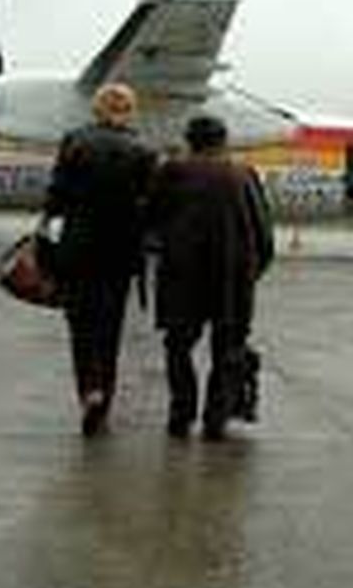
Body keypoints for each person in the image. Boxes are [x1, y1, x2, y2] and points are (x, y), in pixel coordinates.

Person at [147, 114, 274, 441]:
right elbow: (263, 234)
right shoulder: (244, 174)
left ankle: (181, 414)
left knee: (177, 345)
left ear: (189, 140)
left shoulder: (172, 171)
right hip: (231, 278)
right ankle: (215, 420)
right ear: (224, 140)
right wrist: (250, 273)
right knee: (228, 348)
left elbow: (150, 221)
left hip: (181, 276)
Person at [42, 82, 157, 437]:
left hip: (78, 248)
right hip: (120, 253)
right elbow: (150, 204)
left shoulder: (74, 141)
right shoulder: (144, 150)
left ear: (96, 108)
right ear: (129, 110)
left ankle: (88, 390)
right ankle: (102, 404)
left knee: (81, 326)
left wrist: (47, 230)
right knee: (110, 329)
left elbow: (56, 195)